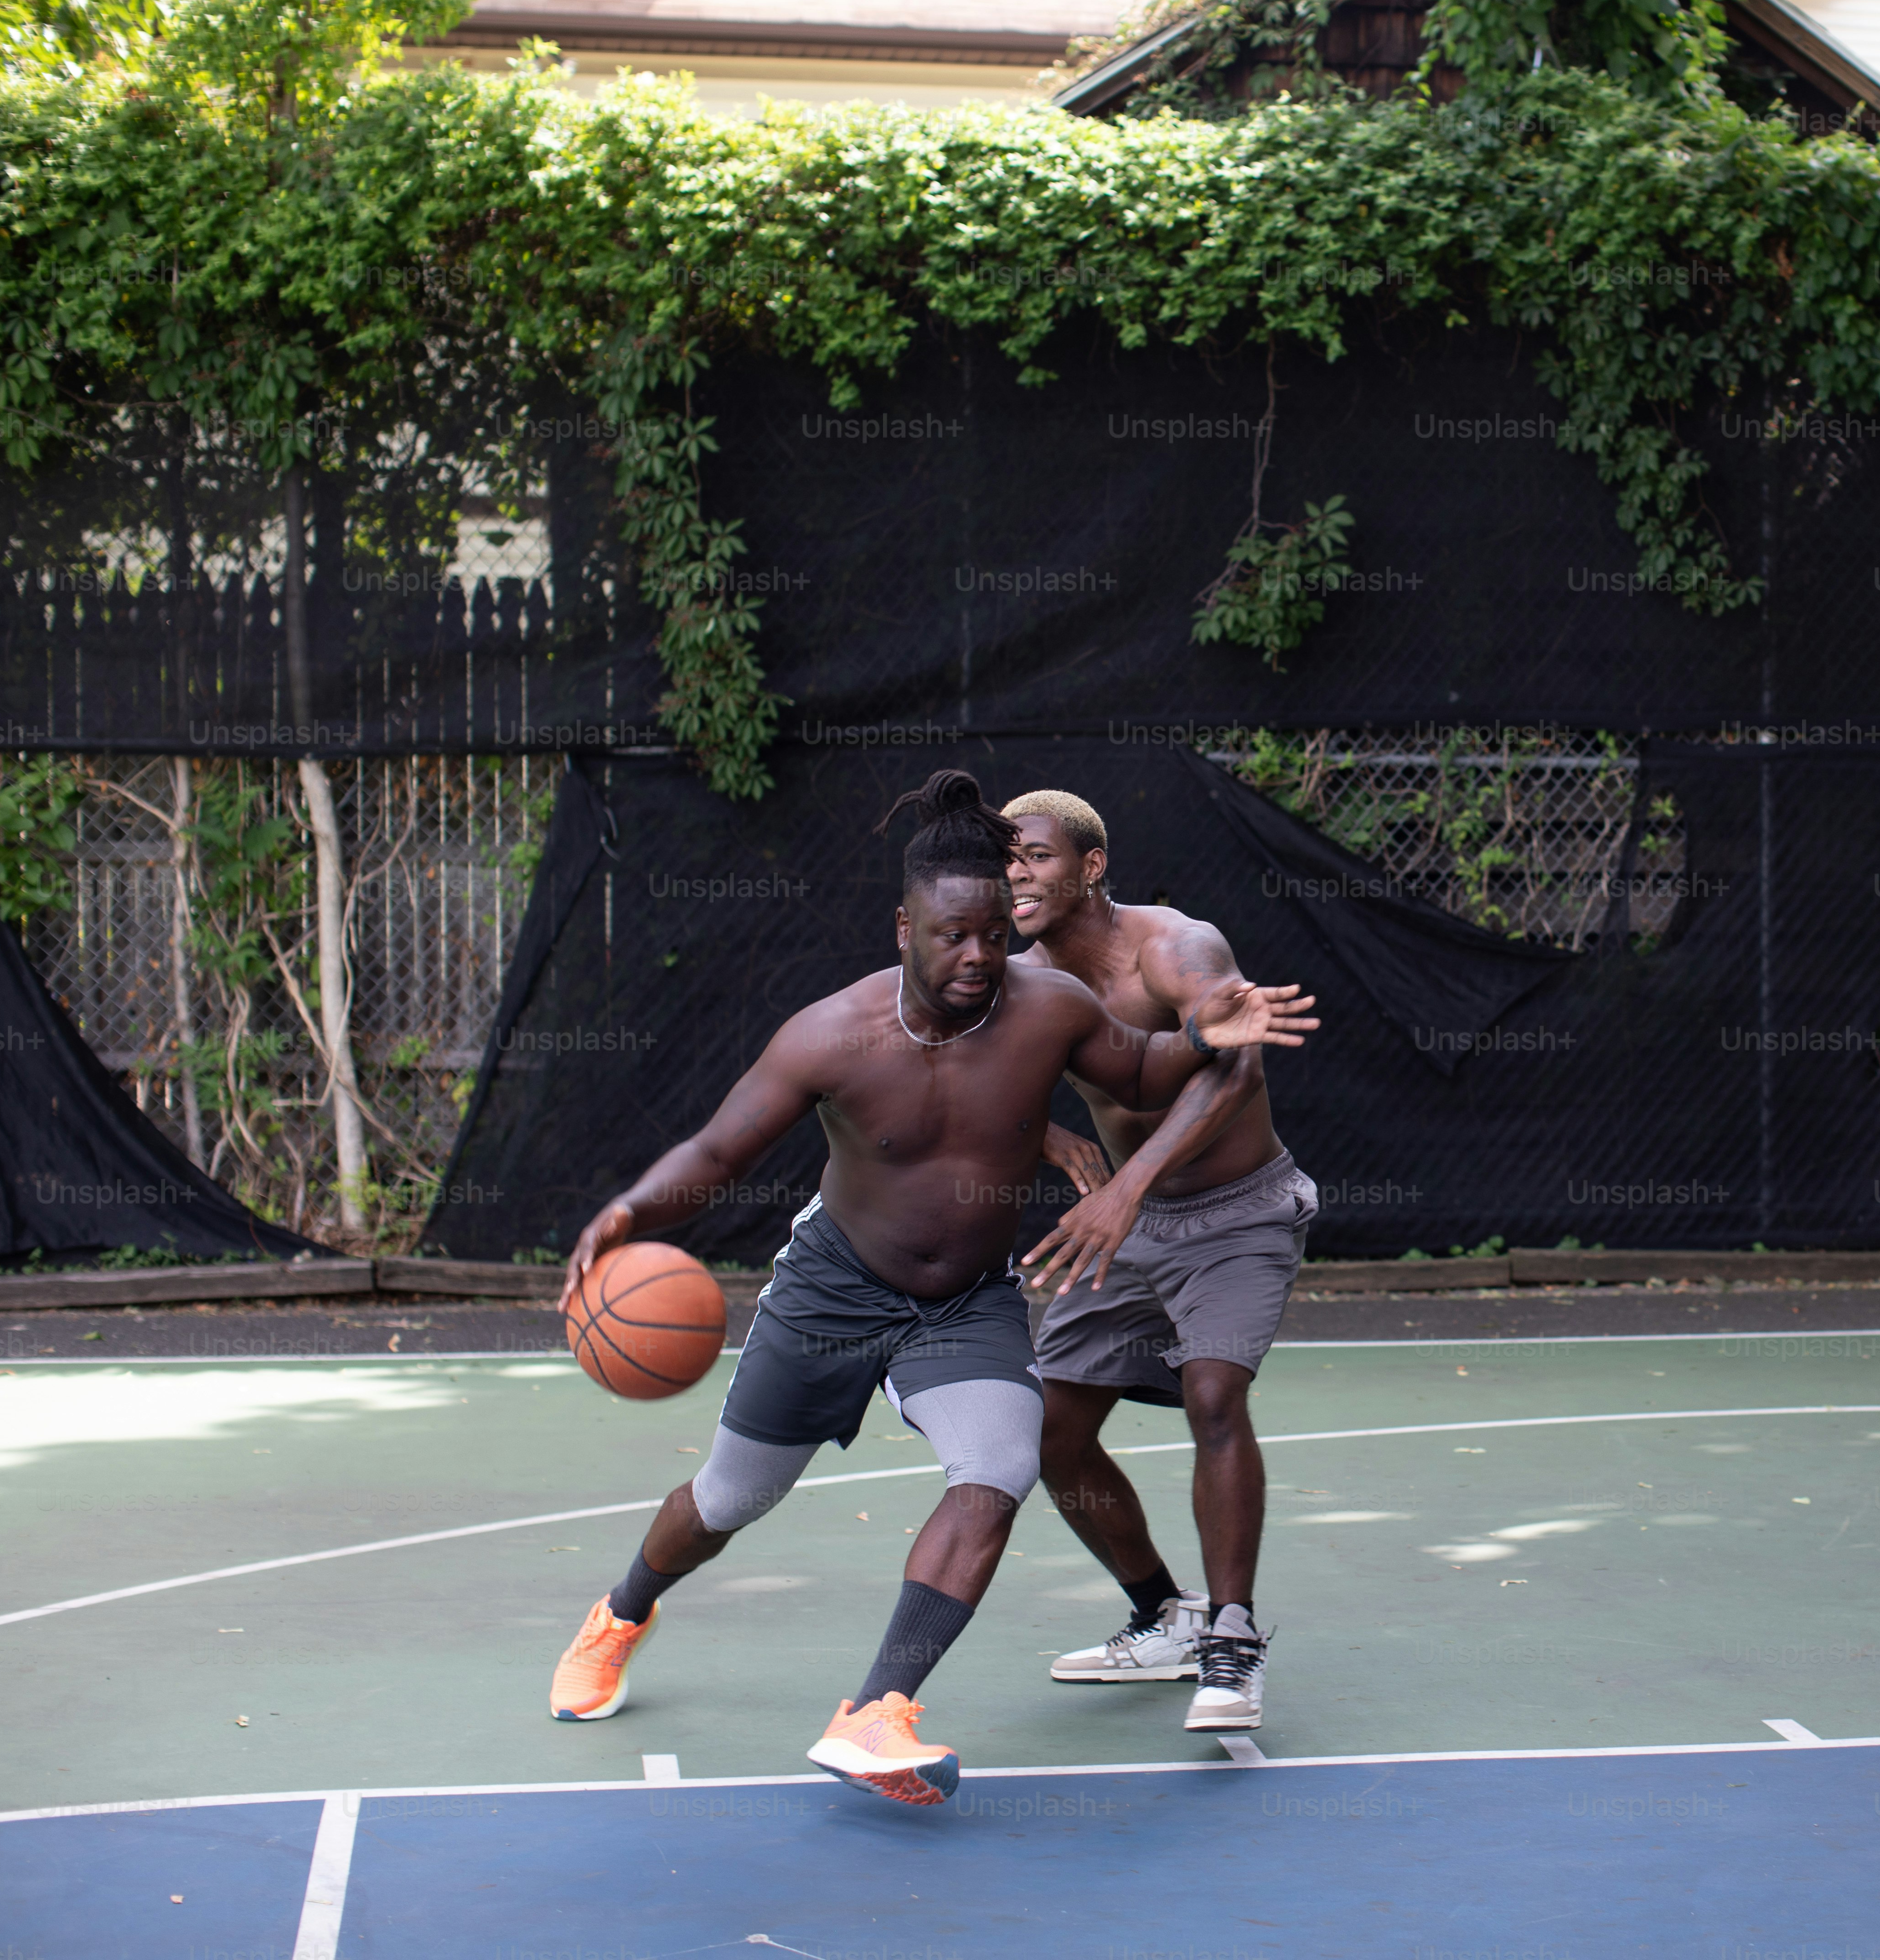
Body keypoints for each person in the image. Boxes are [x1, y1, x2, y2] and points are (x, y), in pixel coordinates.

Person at [542, 770, 1317, 1805]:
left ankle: (877, 1712)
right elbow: (720, 1148)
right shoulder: (830, 1032)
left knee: (1001, 1459)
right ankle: (625, 1610)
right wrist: (632, 1211)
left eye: (996, 934)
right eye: (953, 935)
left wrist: (1204, 1039)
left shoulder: (1047, 1002)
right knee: (734, 1495)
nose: (978, 957)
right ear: (904, 924)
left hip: (964, 1301)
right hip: (834, 1291)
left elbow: (1137, 1070)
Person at [1000, 789, 1316, 1735]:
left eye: (1037, 856)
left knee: (1214, 1394)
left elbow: (1239, 1063)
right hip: (1128, 1220)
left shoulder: (1174, 945)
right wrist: (1055, 1141)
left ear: (1090, 866)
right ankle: (1163, 1613)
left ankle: (1232, 1635)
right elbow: (958, 1074)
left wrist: (1126, 1183)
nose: (1016, 871)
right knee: (1053, 1431)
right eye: (1005, 858)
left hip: (1236, 1212)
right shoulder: (1021, 980)